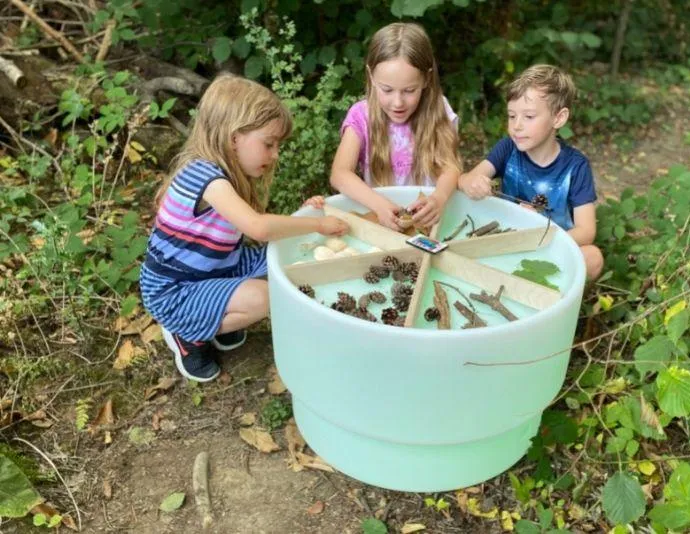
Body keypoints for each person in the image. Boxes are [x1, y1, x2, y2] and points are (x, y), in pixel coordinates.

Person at [140, 74, 348, 382]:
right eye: (269, 144)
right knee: (262, 297)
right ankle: (186, 332)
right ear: (234, 137)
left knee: (283, 256)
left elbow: (260, 229)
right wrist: (316, 223)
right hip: (174, 292)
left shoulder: (222, 174)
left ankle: (209, 316)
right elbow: (259, 228)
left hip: (215, 270)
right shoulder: (207, 178)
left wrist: (305, 216)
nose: (275, 154)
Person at [458, 64, 604, 280]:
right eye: (511, 116)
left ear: (559, 118)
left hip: (552, 246)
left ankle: (541, 284)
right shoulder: (508, 148)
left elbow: (586, 230)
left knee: (593, 258)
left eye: (528, 117)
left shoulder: (575, 166)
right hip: (507, 240)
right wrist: (472, 183)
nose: (516, 126)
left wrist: (542, 236)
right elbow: (464, 179)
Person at [330, 22, 461, 231]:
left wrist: (438, 198)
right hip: (382, 223)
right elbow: (339, 173)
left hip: (429, 225)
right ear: (371, 76)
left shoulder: (439, 109)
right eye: (387, 90)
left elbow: (450, 167)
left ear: (426, 79)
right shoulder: (361, 115)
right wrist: (379, 205)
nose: (398, 102)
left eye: (409, 90)